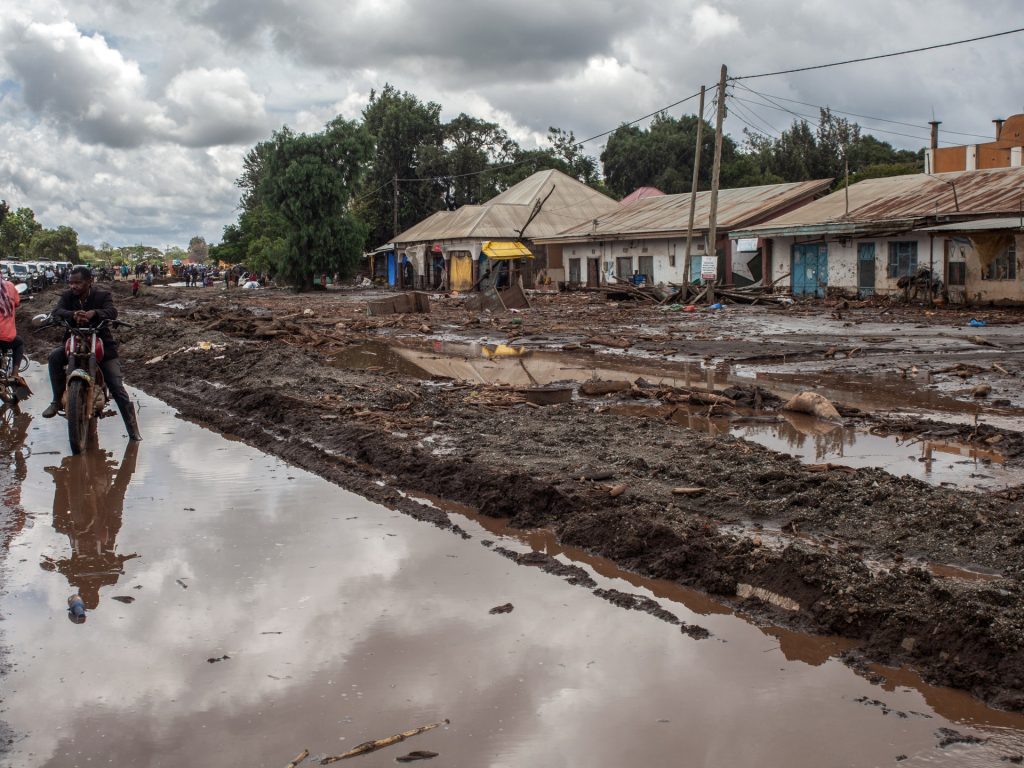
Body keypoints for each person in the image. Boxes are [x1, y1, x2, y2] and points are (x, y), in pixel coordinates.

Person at [42, 266, 141, 441]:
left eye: (78, 283)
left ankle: (133, 431)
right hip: (73, 342)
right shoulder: (67, 296)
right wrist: (73, 314)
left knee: (117, 386)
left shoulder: (102, 296)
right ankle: (56, 400)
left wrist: (94, 313)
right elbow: (57, 311)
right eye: (71, 283)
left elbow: (112, 311)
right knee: (54, 357)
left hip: (101, 344)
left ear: (89, 281)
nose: (73, 286)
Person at [0, 274, 27, 391]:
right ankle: (15, 374)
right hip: (5, 337)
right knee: (19, 342)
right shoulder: (10, 286)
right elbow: (17, 303)